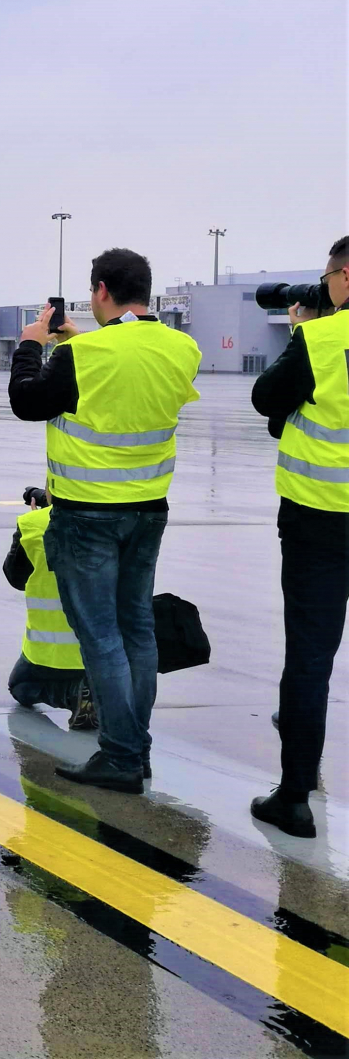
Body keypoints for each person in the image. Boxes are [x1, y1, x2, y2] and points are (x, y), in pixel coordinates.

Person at [10, 247, 200, 793]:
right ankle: (136, 749)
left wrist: (32, 345)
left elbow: (28, 401)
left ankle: (119, 755)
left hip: (87, 513)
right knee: (137, 629)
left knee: (100, 638)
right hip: (148, 509)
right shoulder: (182, 347)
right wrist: (80, 343)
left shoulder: (83, 353)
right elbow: (127, 379)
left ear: (100, 290)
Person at [246, 236, 349, 838]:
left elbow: (266, 399)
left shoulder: (320, 340)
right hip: (320, 522)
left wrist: (302, 331)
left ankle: (294, 799)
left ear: (345, 277)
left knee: (310, 661)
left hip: (321, 521)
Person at [3, 486, 96, 729]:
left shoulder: (33, 524)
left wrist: (38, 520)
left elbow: (16, 578)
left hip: (48, 654)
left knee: (20, 688)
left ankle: (72, 694)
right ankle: (97, 694)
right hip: (102, 651)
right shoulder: (115, 522)